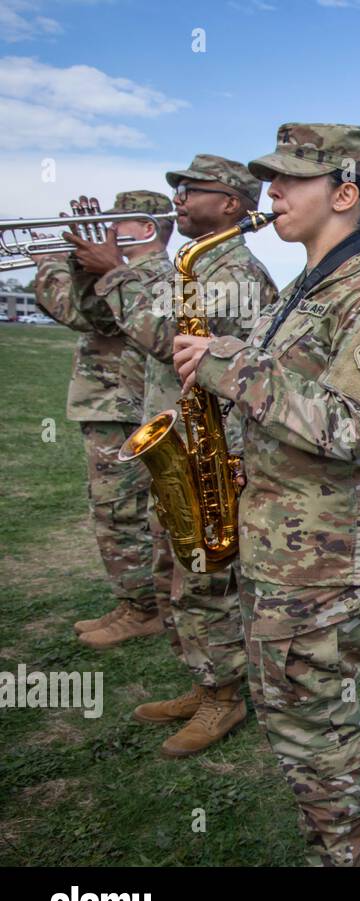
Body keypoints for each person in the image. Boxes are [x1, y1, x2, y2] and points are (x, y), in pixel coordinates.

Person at [174, 123, 360, 866]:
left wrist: (228, 366)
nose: (271, 192)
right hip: (287, 535)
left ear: (345, 195)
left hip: (325, 553)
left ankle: (346, 853)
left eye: (289, 179)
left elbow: (351, 428)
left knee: (313, 723)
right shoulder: (307, 288)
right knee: (292, 714)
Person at [72, 156, 278, 756]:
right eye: (179, 190)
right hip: (179, 440)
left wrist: (117, 273)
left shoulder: (238, 272)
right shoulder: (196, 265)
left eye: (194, 191)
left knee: (205, 579)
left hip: (212, 449)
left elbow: (169, 342)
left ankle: (224, 696)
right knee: (177, 573)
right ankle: (206, 681)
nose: (180, 200)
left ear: (233, 206)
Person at [33, 192, 162, 647]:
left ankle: (146, 607)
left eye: (116, 222)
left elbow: (82, 315)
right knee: (115, 512)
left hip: (123, 407)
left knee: (120, 513)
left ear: (146, 228)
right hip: (111, 404)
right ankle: (137, 601)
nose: (106, 232)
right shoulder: (122, 273)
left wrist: (50, 262)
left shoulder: (145, 275)